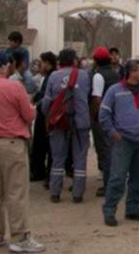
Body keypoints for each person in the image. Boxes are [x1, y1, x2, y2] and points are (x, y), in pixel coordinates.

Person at [0, 50, 45, 253]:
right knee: (16, 192)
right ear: (5, 66)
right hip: (11, 142)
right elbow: (28, 115)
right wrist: (32, 108)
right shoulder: (13, 86)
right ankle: (20, 236)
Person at [99, 60, 139, 227]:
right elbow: (104, 114)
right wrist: (113, 133)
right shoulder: (114, 91)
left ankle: (132, 209)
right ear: (131, 73)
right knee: (117, 177)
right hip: (123, 141)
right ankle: (109, 210)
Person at [41, 48, 91, 203]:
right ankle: (77, 194)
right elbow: (87, 96)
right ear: (75, 61)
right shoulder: (84, 75)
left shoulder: (53, 76)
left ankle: (55, 192)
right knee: (80, 158)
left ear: (59, 61)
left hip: (59, 122)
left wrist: (49, 117)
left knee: (57, 158)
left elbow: (47, 102)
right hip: (80, 122)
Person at [90, 46, 121, 197]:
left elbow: (97, 98)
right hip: (115, 117)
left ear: (96, 61)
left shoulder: (98, 76)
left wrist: (95, 117)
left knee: (104, 152)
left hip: (103, 119)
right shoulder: (115, 74)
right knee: (113, 152)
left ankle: (108, 185)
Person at [30, 52, 57, 183]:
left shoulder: (52, 76)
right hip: (45, 113)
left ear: (48, 63)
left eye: (41, 63)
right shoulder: (47, 76)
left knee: (43, 144)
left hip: (46, 114)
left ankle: (42, 173)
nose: (39, 66)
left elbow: (47, 95)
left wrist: (35, 98)